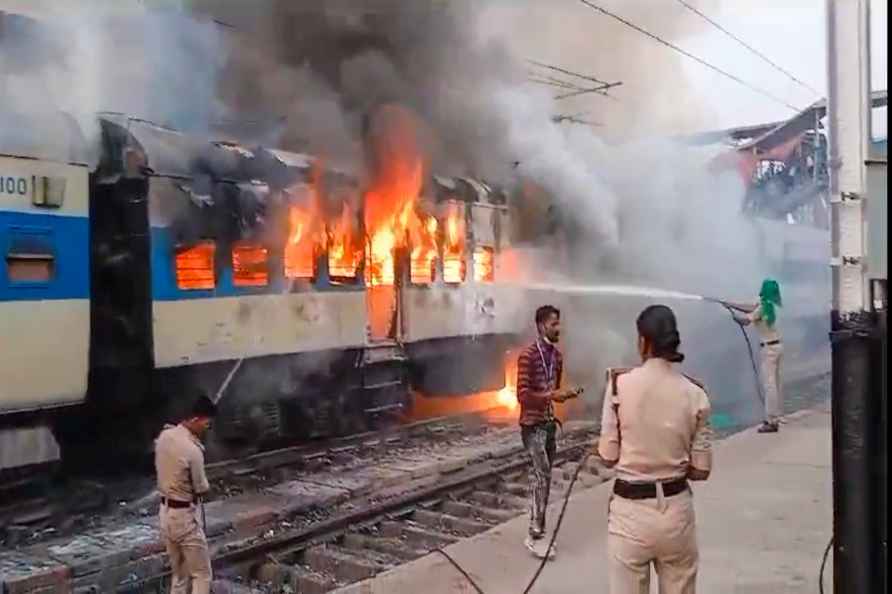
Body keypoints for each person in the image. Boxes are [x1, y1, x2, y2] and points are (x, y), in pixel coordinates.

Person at [598, 304, 713, 594]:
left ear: (644, 342)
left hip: (630, 515)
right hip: (676, 513)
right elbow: (701, 470)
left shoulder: (618, 387)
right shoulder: (695, 393)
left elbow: (608, 456)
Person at [516, 305, 581, 560]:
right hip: (532, 426)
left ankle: (537, 528)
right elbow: (522, 396)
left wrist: (563, 396)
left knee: (545, 477)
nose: (558, 328)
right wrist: (552, 395)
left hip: (549, 424)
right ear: (542, 325)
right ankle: (536, 534)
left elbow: (552, 394)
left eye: (559, 323)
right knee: (542, 476)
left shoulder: (557, 356)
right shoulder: (528, 356)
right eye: (554, 324)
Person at [155, 394, 217, 594]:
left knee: (179, 575)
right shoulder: (193, 450)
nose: (207, 427)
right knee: (201, 574)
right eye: (206, 423)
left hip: (165, 514)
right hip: (184, 519)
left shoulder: (164, 437)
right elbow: (201, 488)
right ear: (195, 419)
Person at [725, 278, 784, 433]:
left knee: (769, 385)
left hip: (769, 350)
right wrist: (731, 304)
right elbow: (751, 308)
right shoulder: (773, 305)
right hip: (777, 346)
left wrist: (734, 317)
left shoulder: (764, 307)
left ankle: (771, 421)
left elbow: (746, 320)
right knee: (775, 385)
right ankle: (775, 417)